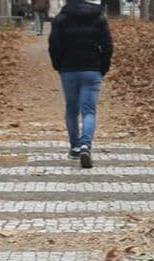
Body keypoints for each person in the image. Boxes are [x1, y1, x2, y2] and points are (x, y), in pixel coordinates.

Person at [48, 0, 113, 168]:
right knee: (89, 111)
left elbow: (54, 45)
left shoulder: (61, 18)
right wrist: (103, 67)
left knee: (71, 109)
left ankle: (75, 146)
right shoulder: (98, 17)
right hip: (92, 69)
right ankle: (86, 145)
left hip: (68, 69)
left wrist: (58, 65)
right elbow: (107, 45)